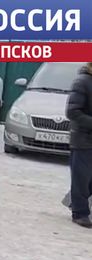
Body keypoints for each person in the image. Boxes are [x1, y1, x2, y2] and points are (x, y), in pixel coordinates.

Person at [66, 62, 92, 228]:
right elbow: (72, 112)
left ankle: (74, 202)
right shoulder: (83, 81)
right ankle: (80, 212)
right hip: (83, 139)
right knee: (81, 178)